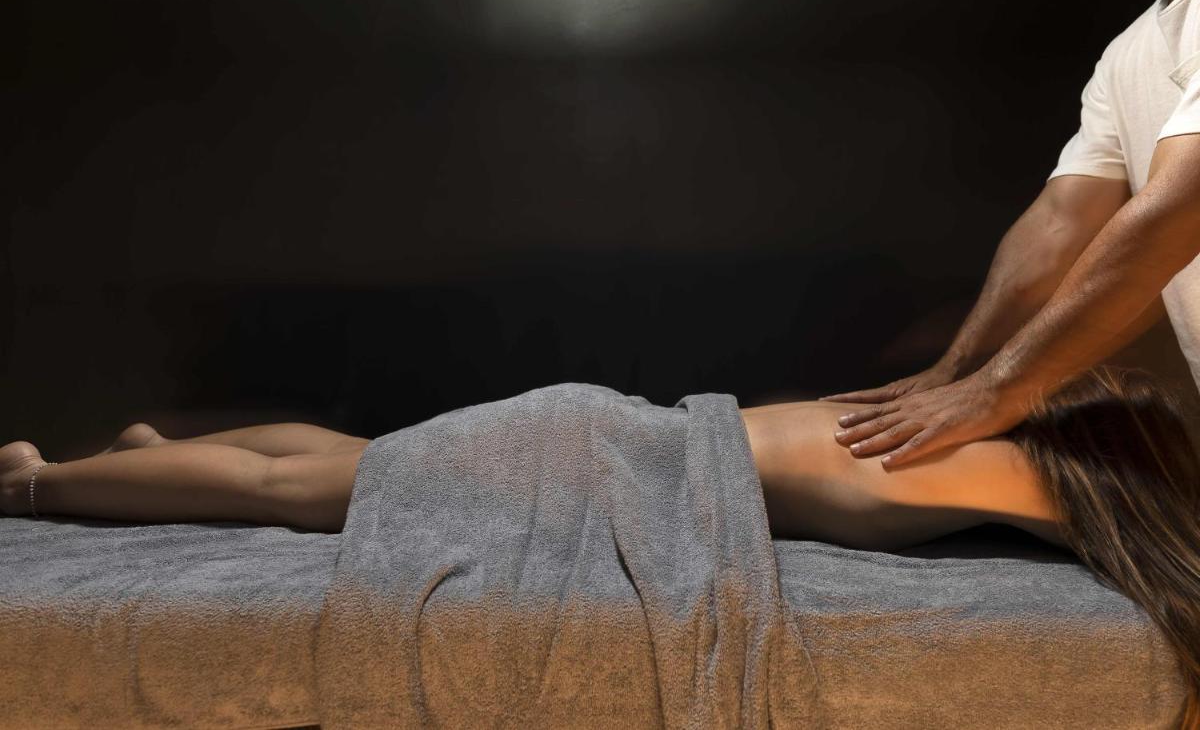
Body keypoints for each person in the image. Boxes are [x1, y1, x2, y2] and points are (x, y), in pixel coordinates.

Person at [1, 365, 1197, 723]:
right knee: (309, 487)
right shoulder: (1006, 466)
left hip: (610, 440)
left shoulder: (964, 430)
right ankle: (43, 482)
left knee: (346, 467)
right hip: (595, 455)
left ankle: (144, 449)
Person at [825, 0, 1200, 471]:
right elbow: (1058, 223)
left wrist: (994, 391)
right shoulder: (1125, 56)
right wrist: (954, 371)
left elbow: (1175, 213)